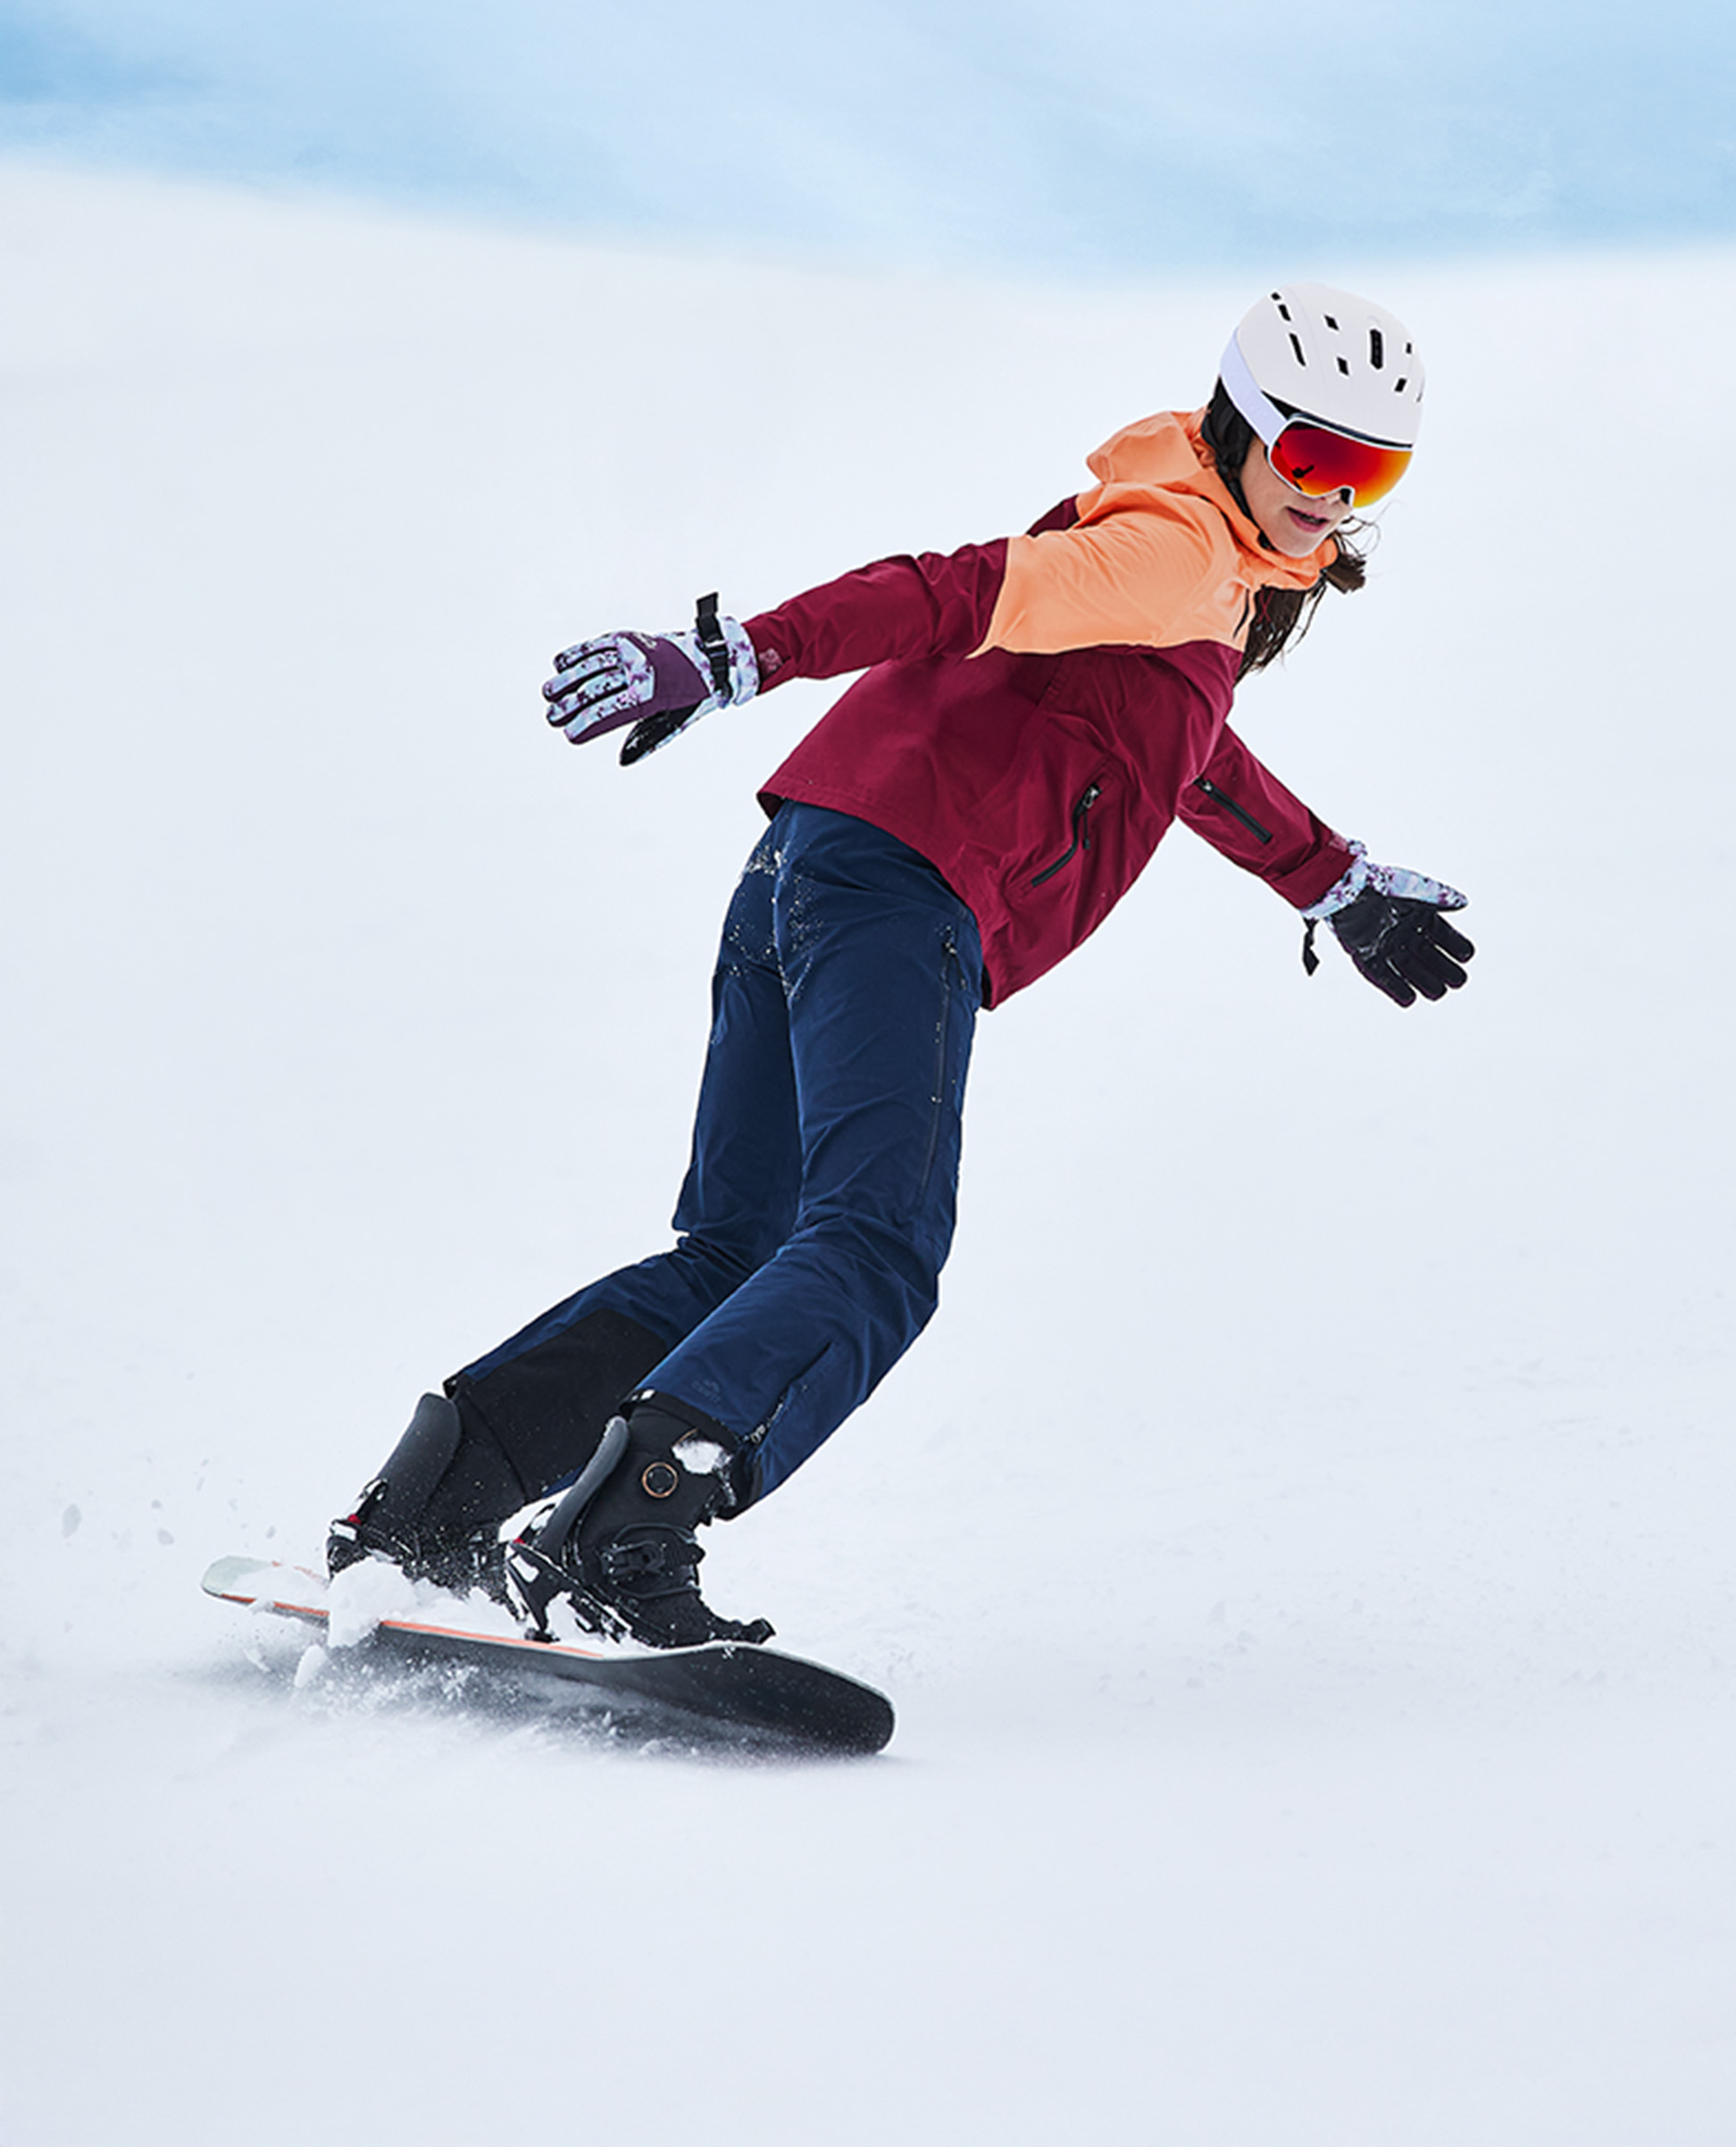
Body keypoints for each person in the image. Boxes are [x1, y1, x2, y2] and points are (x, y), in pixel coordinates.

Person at [329, 282, 1475, 1649]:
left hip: (806, 868)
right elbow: (953, 596)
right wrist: (738, 655)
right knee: (876, 1250)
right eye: (1314, 458)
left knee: (741, 1255)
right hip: (897, 894)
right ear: (1240, 428)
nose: (1333, 501)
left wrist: (1329, 877)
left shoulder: (1187, 566)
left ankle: (430, 1508)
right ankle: (629, 1525)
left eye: (1373, 473)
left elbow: (1182, 757)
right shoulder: (1173, 552)